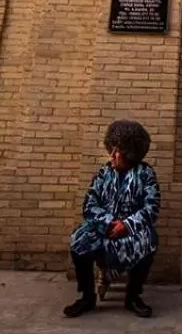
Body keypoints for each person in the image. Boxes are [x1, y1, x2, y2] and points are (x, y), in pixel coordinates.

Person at [64, 119, 161, 318]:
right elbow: (89, 204)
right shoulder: (104, 173)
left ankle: (133, 297)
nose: (112, 155)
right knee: (79, 240)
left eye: (117, 151)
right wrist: (108, 223)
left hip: (131, 230)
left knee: (149, 241)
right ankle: (87, 297)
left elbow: (151, 208)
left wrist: (127, 225)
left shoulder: (146, 174)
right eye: (112, 149)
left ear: (129, 153)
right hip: (103, 228)